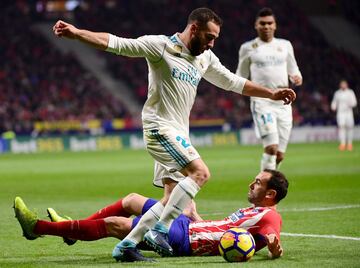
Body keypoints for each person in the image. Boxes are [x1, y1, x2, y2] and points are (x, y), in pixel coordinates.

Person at [52, 7, 295, 262]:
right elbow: (117, 43)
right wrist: (77, 33)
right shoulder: (160, 47)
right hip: (160, 127)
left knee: (172, 199)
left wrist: (271, 93)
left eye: (215, 38)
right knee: (200, 173)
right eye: (209, 37)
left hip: (179, 136)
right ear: (194, 29)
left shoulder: (205, 58)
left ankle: (122, 244)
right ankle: (159, 230)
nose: (212, 43)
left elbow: (233, 82)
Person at [14, 169, 288, 262]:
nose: (251, 184)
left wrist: (275, 249)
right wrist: (195, 215)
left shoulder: (269, 217)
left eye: (258, 183)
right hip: (189, 226)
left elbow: (273, 241)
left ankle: (37, 227)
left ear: (271, 194)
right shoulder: (253, 210)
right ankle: (70, 229)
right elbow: (220, 228)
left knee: (115, 225)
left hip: (184, 242)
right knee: (132, 200)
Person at [236, 7, 302, 171]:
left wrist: (296, 76)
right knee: (271, 148)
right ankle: (263, 187)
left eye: (269, 23)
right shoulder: (248, 47)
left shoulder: (285, 45)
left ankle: (269, 180)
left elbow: (293, 68)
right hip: (262, 101)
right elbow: (240, 76)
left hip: (284, 103)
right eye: (262, 23)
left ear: (275, 25)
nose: (266, 26)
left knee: (279, 154)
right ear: (256, 25)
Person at [331, 80, 357, 151]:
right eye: (342, 84)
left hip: (348, 112)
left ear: (347, 85)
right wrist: (333, 106)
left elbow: (354, 102)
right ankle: (342, 144)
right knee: (341, 128)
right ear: (340, 85)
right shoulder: (337, 93)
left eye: (344, 84)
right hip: (340, 113)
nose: (343, 86)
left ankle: (349, 144)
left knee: (350, 128)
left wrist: (350, 104)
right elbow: (334, 102)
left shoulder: (350, 92)